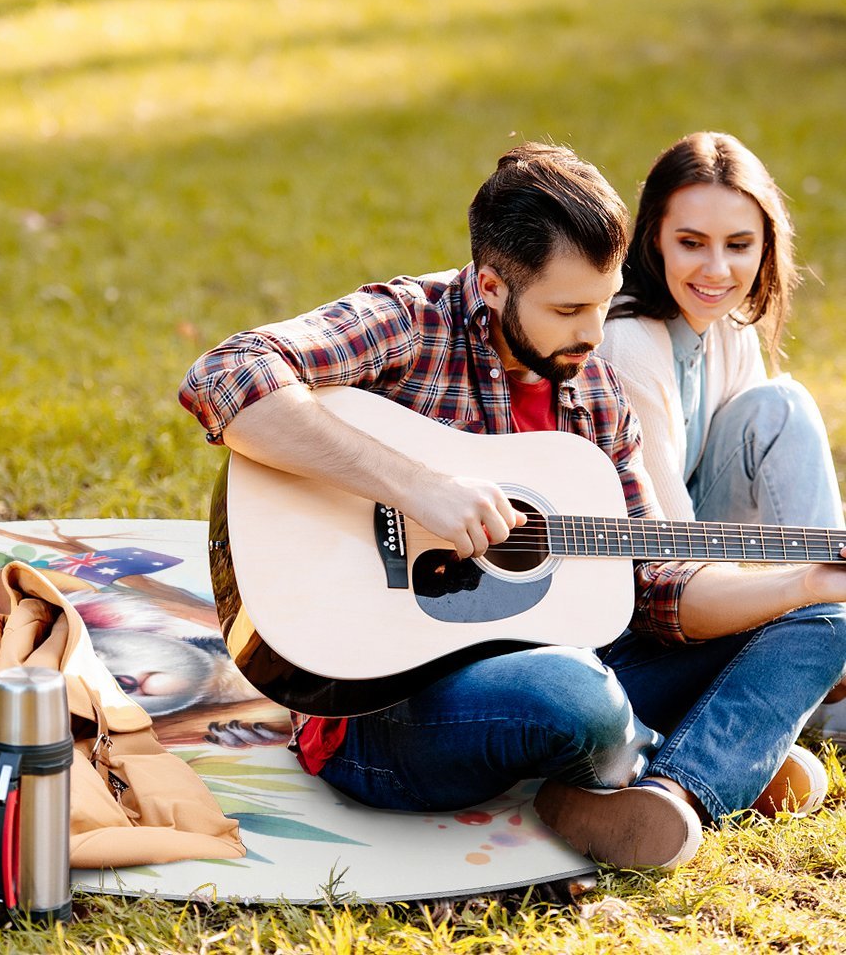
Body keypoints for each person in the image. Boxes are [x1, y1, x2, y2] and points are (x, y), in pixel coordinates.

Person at [179, 142, 846, 871]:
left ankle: (675, 791)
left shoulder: (594, 390)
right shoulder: (410, 322)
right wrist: (415, 486)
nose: (594, 335)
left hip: (572, 665)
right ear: (492, 285)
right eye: (568, 309)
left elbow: (655, 584)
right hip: (384, 712)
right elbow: (226, 374)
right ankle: (703, 751)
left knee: (826, 619)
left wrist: (802, 583)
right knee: (575, 696)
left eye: (603, 301)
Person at [599, 131, 846, 745]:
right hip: (641, 601)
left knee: (777, 406)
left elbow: (767, 492)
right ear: (653, 236)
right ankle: (821, 670)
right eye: (691, 243)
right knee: (783, 406)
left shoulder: (728, 325)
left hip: (705, 563)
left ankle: (825, 646)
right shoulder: (629, 340)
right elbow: (669, 557)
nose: (717, 270)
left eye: (739, 245)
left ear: (766, 247)